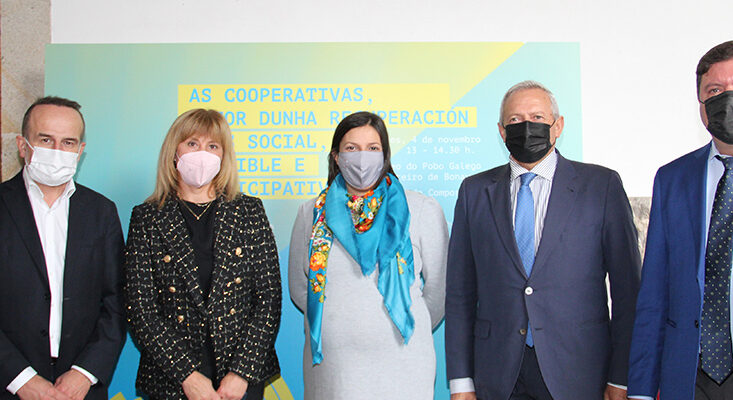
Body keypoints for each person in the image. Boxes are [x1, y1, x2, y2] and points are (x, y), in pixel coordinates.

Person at [446, 81, 641, 400]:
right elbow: (459, 293)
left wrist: (622, 377)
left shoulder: (601, 186)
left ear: (558, 125)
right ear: (501, 130)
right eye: (515, 120)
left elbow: (627, 290)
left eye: (537, 117)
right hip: (498, 374)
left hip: (579, 371)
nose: (526, 127)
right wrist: (461, 381)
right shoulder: (474, 191)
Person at [627, 40, 733, 400]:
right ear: (702, 105)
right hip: (688, 380)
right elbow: (655, 293)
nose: (730, 97)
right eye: (715, 90)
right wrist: (641, 389)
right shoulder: (673, 178)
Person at [288, 111, 448, 400]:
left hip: (405, 366)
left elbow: (440, 291)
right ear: (336, 156)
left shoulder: (421, 209)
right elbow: (301, 289)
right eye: (352, 148)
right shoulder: (310, 212)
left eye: (373, 148)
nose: (363, 158)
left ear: (385, 155)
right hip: (331, 370)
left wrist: (399, 321)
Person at [124, 109, 281, 400]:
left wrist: (241, 373)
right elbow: (141, 309)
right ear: (174, 152)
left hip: (239, 382)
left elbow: (268, 299)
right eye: (192, 143)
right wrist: (188, 376)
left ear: (223, 156)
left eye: (213, 146)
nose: (202, 154)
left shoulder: (249, 211)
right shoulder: (147, 218)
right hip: (172, 379)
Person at [0, 96, 126, 400]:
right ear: (22, 145)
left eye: (68, 142)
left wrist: (85, 373)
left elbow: (118, 300)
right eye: (46, 140)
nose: (57, 151)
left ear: (80, 151)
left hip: (81, 388)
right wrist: (21, 379)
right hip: (9, 385)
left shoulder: (101, 212)